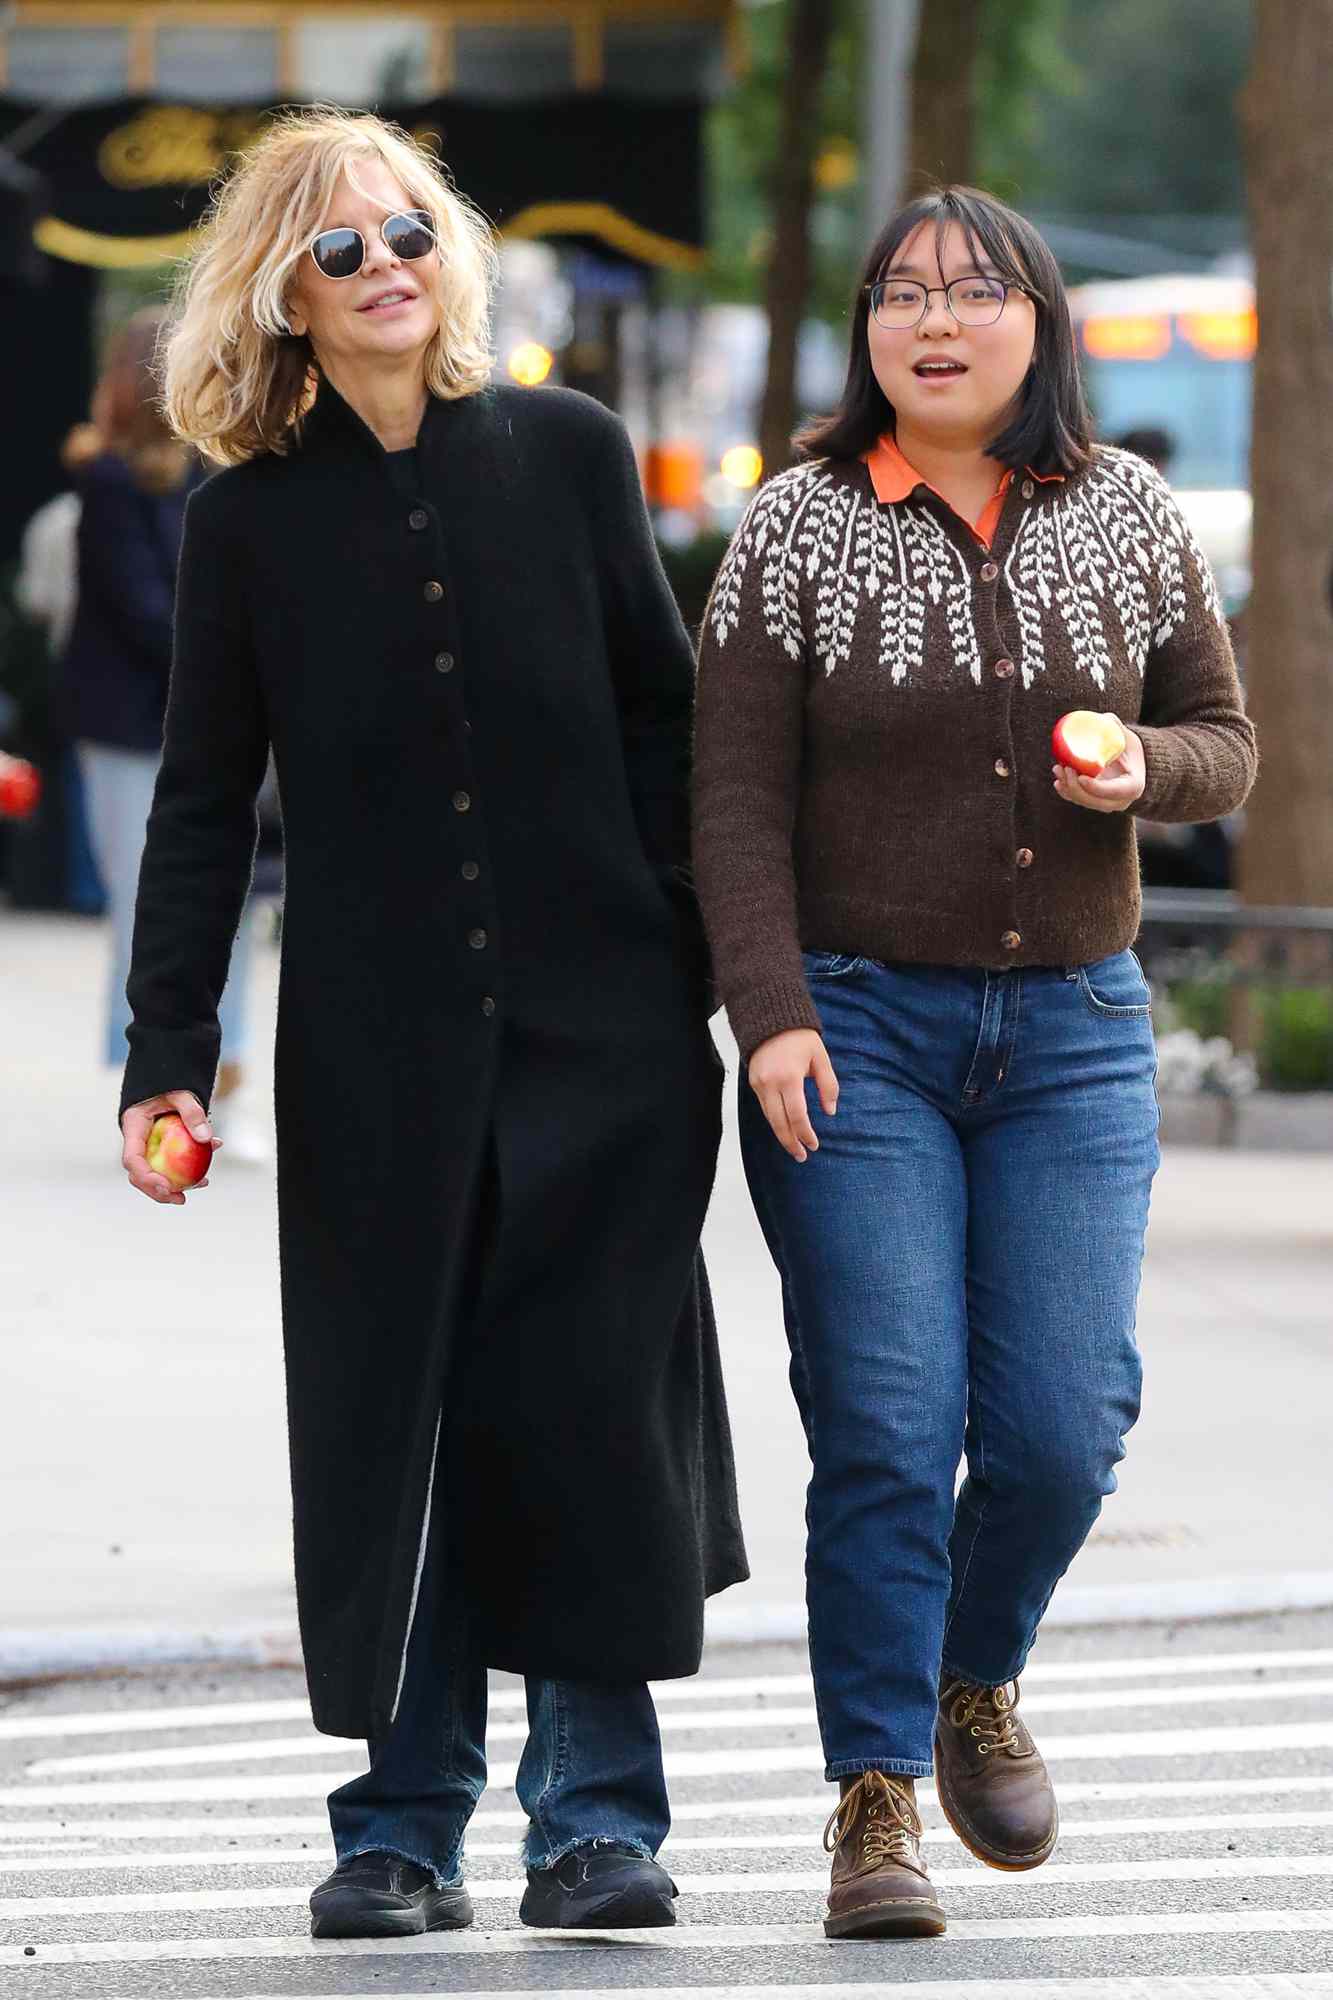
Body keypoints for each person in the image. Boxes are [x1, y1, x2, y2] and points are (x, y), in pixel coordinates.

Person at [116, 107, 745, 1937]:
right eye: (340, 251)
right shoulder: (244, 529)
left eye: (407, 235)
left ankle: (597, 1821)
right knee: (398, 1420)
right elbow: (197, 807)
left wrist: (686, 966)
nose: (386, 265)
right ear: (282, 299)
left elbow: (668, 728)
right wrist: (172, 1052)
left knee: (585, 1415)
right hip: (378, 1059)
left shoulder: (568, 456)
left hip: (606, 1040)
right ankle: (401, 1820)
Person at [693, 185, 1257, 1942]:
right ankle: (871, 1798)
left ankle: (970, 1676)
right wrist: (769, 1008)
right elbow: (727, 799)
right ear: (866, 337)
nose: (932, 320)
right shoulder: (787, 528)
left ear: (1037, 321)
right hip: (852, 1031)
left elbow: (1223, 743)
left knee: (1058, 1428)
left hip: (1074, 1038)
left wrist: (1138, 775)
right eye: (897, 295)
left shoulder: (1129, 512)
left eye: (972, 290)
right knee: (883, 1421)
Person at [56, 315, 267, 1154]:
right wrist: (239, 659)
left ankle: (227, 1079)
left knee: (237, 904)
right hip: (132, 728)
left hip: (202, 722)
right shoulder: (110, 482)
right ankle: (168, 1087)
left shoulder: (222, 473)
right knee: (154, 910)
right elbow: (143, 609)